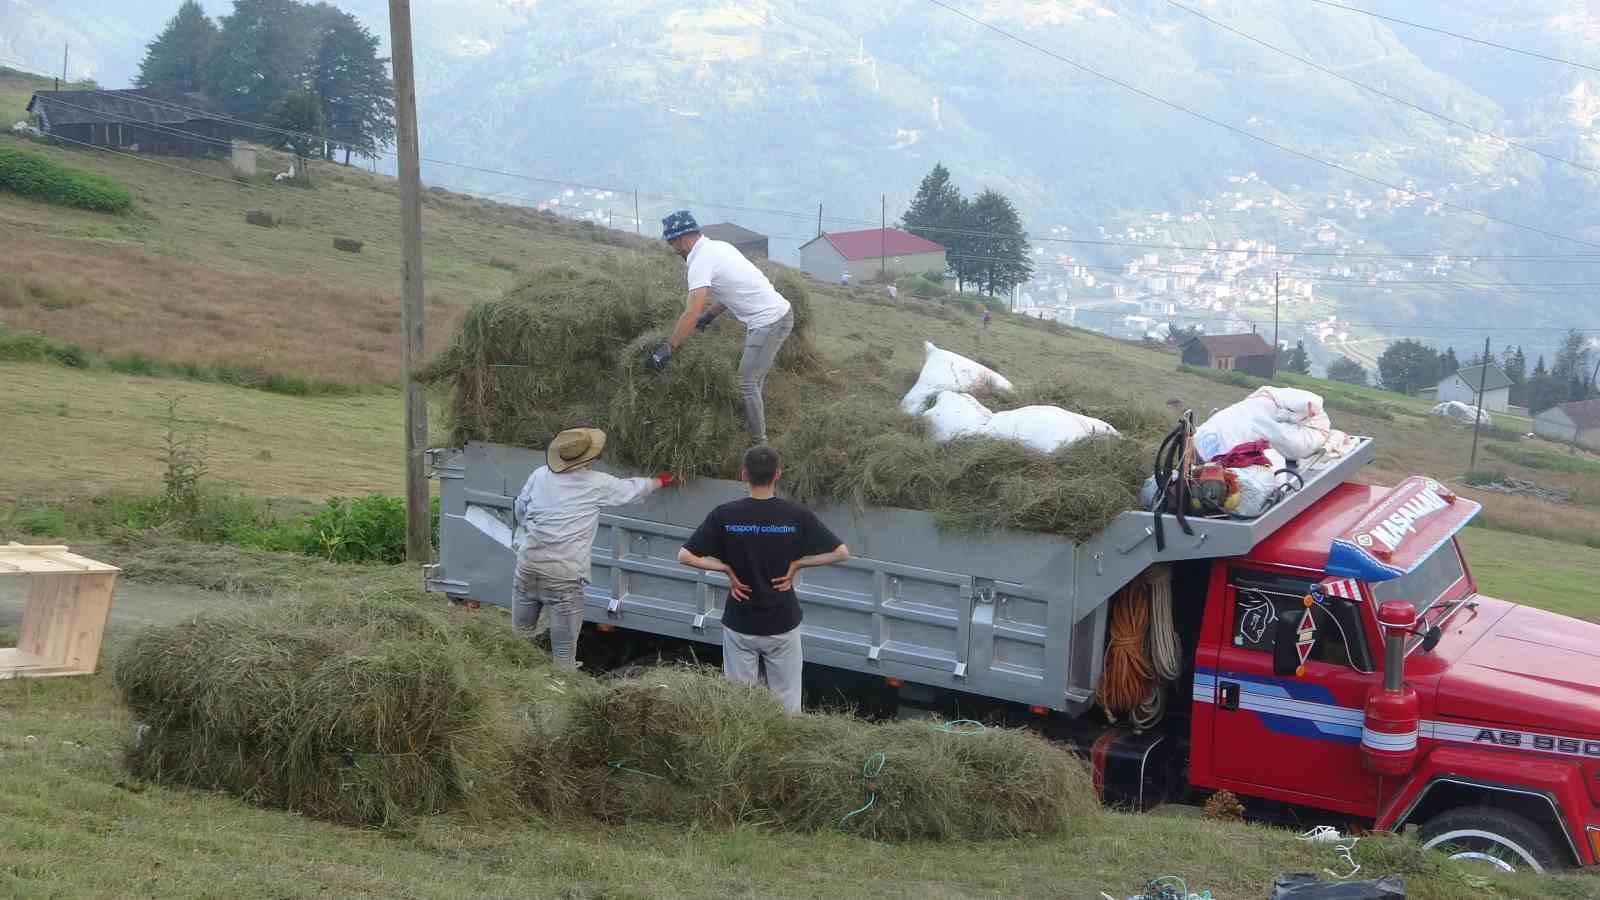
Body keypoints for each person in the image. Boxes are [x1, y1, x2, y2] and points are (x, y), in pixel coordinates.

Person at [676, 445, 848, 713]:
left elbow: (685, 556)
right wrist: (797, 564)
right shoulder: (796, 515)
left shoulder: (725, 514)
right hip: (782, 621)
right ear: (777, 474)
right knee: (787, 703)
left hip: (740, 621)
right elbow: (840, 553)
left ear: (744, 474)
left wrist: (726, 570)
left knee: (740, 704)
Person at [512, 427, 674, 669]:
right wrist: (661, 480)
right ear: (590, 458)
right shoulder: (595, 483)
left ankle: (514, 683)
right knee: (564, 655)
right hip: (563, 577)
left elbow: (520, 509)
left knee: (517, 641)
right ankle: (559, 691)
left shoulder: (539, 475)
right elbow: (631, 489)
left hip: (526, 567)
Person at [649, 210, 794, 445]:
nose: (674, 250)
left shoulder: (699, 261)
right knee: (753, 379)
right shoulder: (719, 247)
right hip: (776, 315)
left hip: (769, 322)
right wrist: (709, 316)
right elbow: (732, 288)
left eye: (672, 244)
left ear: (682, 239)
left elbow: (691, 311)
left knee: (746, 382)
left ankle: (760, 444)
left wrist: (668, 347)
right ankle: (751, 416)